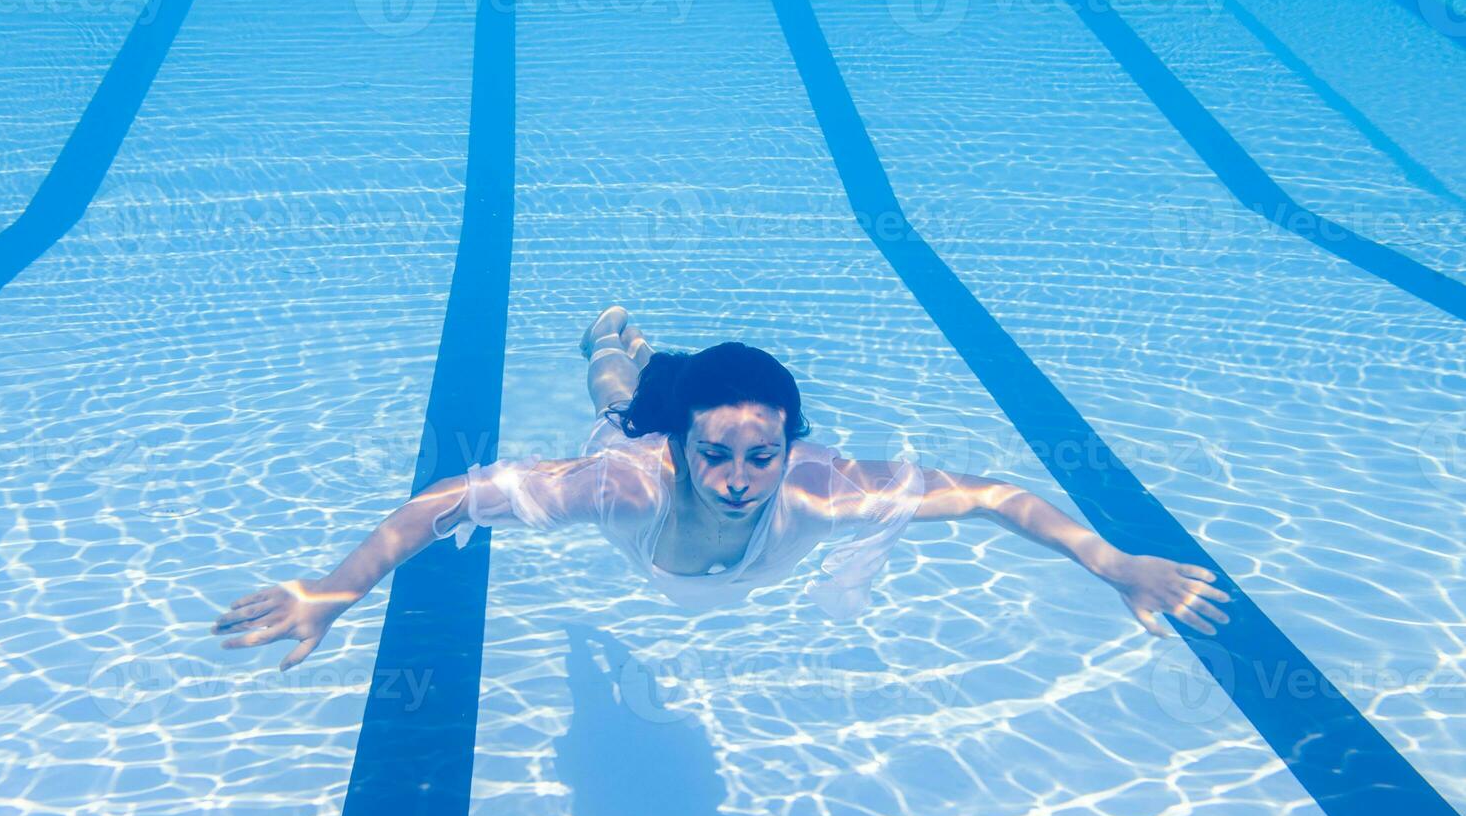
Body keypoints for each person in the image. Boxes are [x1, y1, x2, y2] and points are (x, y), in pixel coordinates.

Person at [212, 306, 1231, 671]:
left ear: (793, 443)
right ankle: (616, 354)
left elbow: (996, 495)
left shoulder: (823, 490)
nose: (741, 480)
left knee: (642, 408)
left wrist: (1115, 562)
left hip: (682, 500)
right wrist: (336, 588)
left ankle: (640, 364)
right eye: (717, 454)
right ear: (685, 449)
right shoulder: (621, 486)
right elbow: (443, 501)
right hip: (633, 456)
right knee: (615, 404)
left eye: (762, 452)